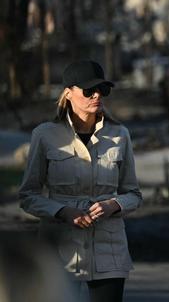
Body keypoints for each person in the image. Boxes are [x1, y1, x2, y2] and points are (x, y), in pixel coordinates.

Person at [19, 60, 142, 302]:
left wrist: (113, 205)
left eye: (102, 90)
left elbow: (134, 194)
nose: (97, 95)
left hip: (110, 251)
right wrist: (63, 211)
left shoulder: (120, 135)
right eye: (88, 90)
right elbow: (28, 196)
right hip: (60, 251)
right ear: (68, 93)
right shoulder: (44, 135)